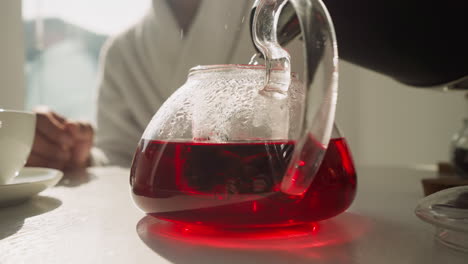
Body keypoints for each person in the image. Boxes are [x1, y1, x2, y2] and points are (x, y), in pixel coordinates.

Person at [27, 0, 304, 169]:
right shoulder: (124, 52)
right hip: (166, 230)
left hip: (281, 216)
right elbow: (119, 161)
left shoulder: (287, 19)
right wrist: (73, 154)